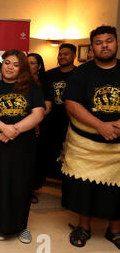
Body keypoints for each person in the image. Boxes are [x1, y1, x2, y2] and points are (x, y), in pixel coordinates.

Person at [0, 49, 45, 243]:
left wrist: (14, 130)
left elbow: (38, 114)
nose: (10, 67)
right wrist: (4, 128)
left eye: (15, 64)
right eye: (7, 63)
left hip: (22, 145)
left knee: (20, 183)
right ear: (1, 64)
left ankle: (21, 225)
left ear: (22, 68)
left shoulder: (33, 88)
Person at [61, 25, 119, 249]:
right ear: (92, 48)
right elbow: (72, 104)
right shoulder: (81, 73)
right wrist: (101, 126)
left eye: (109, 40)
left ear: (116, 43)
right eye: (98, 42)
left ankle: (114, 230)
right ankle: (83, 227)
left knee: (117, 189)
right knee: (84, 188)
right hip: (86, 143)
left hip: (118, 146)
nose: (104, 45)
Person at [41, 43, 77, 180]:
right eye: (60, 54)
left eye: (66, 54)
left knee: (68, 151)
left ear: (74, 55)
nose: (62, 57)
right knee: (50, 150)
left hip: (71, 119)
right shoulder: (49, 75)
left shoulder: (79, 74)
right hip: (50, 118)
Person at [27, 53, 53, 203]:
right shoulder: (18, 81)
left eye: (32, 63)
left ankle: (31, 190)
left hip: (40, 126)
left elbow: (47, 107)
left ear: (39, 66)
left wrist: (35, 121)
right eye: (26, 62)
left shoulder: (45, 83)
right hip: (19, 125)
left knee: (35, 159)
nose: (29, 65)